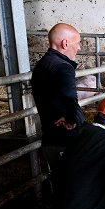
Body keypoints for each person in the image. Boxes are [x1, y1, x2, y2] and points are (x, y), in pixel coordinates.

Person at [31, 23, 86, 169]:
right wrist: (71, 119)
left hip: (50, 137)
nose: (79, 48)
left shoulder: (42, 64)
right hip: (67, 139)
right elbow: (70, 97)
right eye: (78, 43)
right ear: (65, 43)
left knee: (59, 181)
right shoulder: (63, 67)